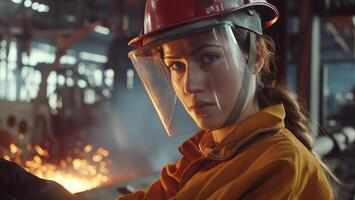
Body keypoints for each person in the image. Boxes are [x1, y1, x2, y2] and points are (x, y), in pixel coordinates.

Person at [119, 0, 335, 199]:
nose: (189, 85)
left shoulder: (279, 165)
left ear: (255, 57)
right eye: (176, 65)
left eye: (209, 57)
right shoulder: (202, 155)